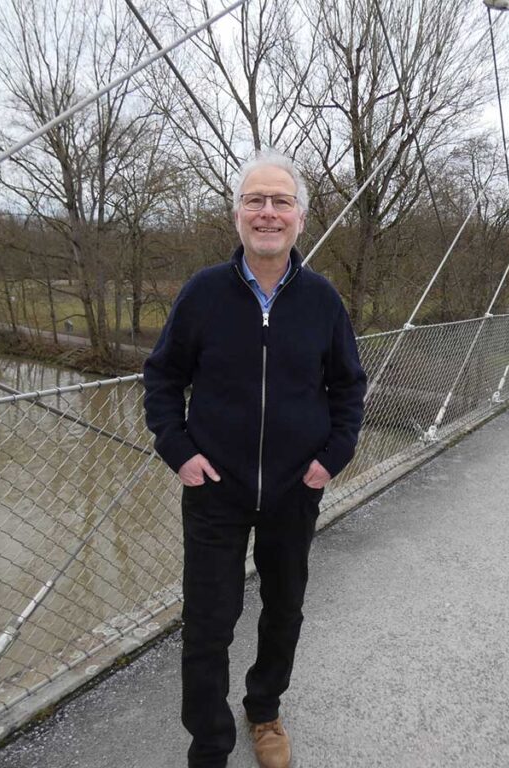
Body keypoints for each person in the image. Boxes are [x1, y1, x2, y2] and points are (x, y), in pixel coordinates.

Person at [143, 149, 367, 768]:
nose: (268, 212)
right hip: (214, 490)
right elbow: (162, 378)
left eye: (281, 201)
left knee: (284, 609)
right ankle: (209, 744)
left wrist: (332, 457)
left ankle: (264, 710)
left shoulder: (322, 300)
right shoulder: (203, 294)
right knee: (208, 623)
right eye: (255, 200)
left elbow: (349, 386)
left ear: (300, 218)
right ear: (237, 215)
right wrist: (179, 452)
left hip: (296, 489)